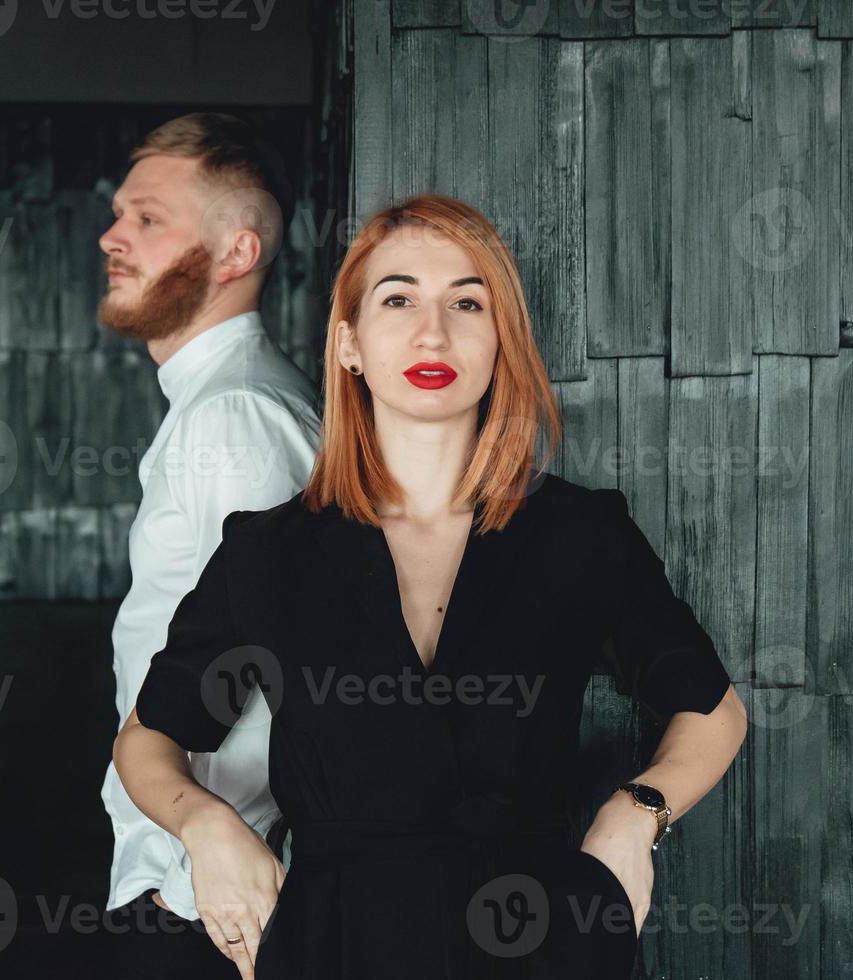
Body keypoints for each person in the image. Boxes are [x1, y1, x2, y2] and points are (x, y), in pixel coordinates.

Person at [113, 194, 748, 980]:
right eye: (399, 298)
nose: (432, 331)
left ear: (499, 342)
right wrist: (205, 827)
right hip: (334, 944)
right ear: (348, 343)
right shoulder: (268, 551)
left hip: (540, 941)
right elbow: (147, 739)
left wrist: (635, 814)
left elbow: (711, 707)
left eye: (467, 303)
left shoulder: (578, 534)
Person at [95, 112, 321, 978]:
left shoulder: (237, 417)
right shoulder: (217, 402)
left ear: (237, 253)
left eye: (148, 219)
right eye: (121, 213)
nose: (113, 237)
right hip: (192, 874)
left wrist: (203, 856)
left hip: (220, 897)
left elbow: (284, 668)